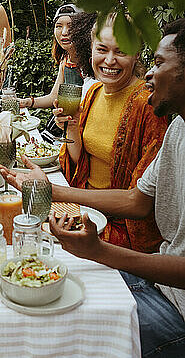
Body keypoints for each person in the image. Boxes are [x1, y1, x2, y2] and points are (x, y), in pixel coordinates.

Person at [0, 17, 185, 358]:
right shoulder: (178, 126)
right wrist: (53, 189)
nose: (149, 75)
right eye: (102, 49)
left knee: (65, 332)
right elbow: (136, 200)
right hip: (157, 280)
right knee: (48, 287)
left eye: (159, 64)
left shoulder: (154, 112)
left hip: (176, 305)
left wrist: (100, 251)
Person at [53, 14, 167, 252]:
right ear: (91, 49)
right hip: (84, 214)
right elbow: (80, 162)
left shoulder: (148, 105)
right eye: (102, 49)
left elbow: (140, 200)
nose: (109, 60)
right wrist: (72, 128)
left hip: (120, 232)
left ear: (137, 54)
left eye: (121, 51)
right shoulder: (94, 91)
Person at [19, 3, 84, 111]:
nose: (64, 32)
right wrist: (27, 102)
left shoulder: (92, 61)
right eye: (58, 26)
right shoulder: (65, 60)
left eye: (71, 26)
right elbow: (54, 96)